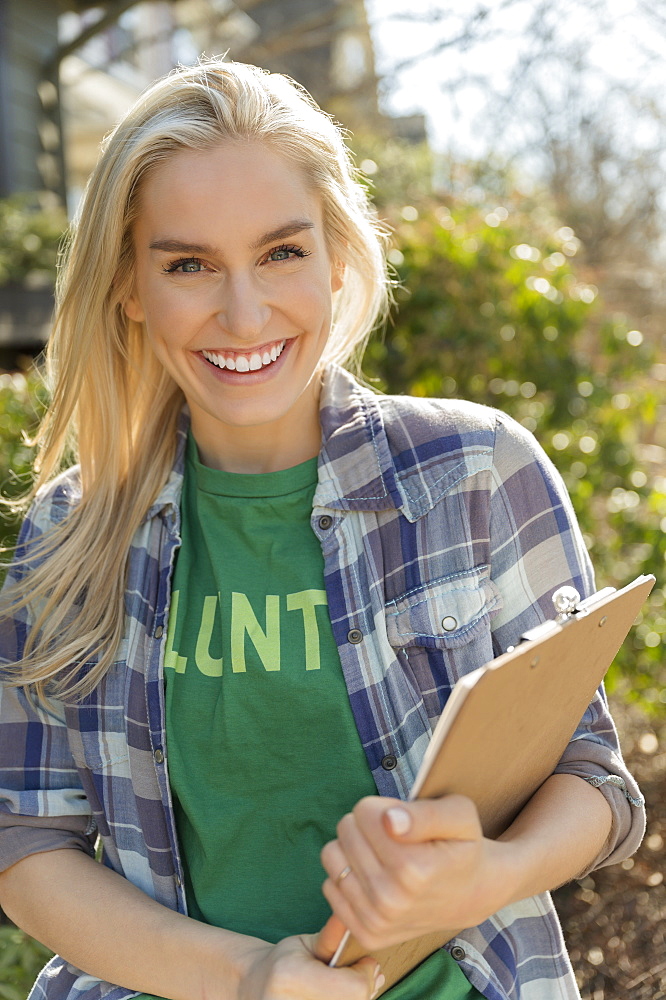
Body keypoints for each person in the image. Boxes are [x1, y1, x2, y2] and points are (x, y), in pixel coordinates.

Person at [0, 58, 644, 1000]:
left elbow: (591, 773)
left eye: (281, 253)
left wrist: (492, 873)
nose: (244, 311)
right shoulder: (70, 534)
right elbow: (29, 844)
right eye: (188, 265)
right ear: (128, 286)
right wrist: (253, 976)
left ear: (337, 253)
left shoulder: (476, 471)